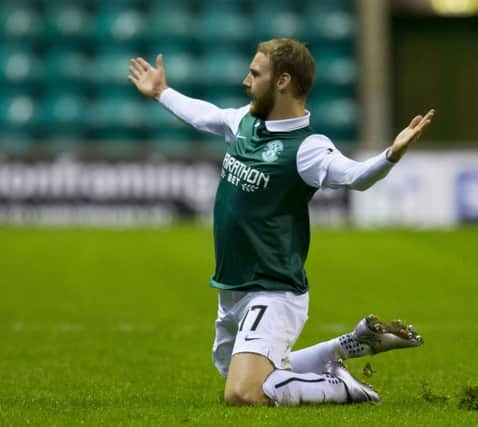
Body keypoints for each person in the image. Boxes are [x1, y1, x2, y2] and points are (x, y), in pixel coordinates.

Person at [128, 38, 434, 407]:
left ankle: (342, 389)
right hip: (234, 284)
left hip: (273, 288)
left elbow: (354, 176)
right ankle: (342, 348)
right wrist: (161, 91)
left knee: (244, 393)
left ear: (283, 81)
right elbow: (203, 114)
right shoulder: (245, 121)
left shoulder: (308, 148)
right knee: (243, 374)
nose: (246, 80)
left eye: (255, 73)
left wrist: (390, 155)